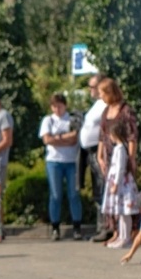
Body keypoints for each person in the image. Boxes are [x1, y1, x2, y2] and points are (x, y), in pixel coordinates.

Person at [97, 78, 138, 242]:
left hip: (121, 156)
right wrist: (100, 156)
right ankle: (114, 231)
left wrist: (131, 159)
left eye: (101, 92)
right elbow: (102, 134)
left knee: (123, 195)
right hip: (108, 157)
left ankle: (126, 233)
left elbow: (132, 136)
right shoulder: (106, 110)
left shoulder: (126, 110)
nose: (100, 96)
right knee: (111, 196)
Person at [40, 92, 83, 242]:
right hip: (54, 161)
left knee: (73, 194)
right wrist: (63, 138)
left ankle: (77, 226)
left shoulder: (71, 119)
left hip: (71, 160)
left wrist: (56, 139)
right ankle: (55, 227)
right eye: (54, 106)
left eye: (60, 106)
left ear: (65, 105)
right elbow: (47, 139)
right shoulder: (48, 120)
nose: (57, 109)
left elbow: (74, 139)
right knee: (56, 195)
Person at [102, 122, 139, 248]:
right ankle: (122, 236)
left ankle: (126, 237)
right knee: (121, 212)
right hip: (119, 183)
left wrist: (116, 183)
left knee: (125, 212)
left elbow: (120, 168)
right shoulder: (119, 148)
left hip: (122, 184)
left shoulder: (121, 149)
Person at [79, 74, 107, 240]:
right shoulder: (97, 104)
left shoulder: (105, 104)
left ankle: (106, 226)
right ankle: (101, 226)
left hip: (99, 150)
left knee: (102, 187)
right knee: (97, 189)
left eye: (93, 86)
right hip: (89, 150)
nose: (90, 90)